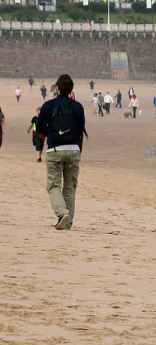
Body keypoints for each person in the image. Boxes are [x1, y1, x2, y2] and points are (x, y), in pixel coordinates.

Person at [36, 74, 87, 230]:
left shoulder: (48, 105)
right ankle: (68, 221)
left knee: (53, 185)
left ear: (57, 87)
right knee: (70, 187)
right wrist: (78, 149)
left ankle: (62, 214)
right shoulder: (78, 106)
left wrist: (51, 133)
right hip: (73, 149)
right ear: (71, 89)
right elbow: (80, 130)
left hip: (55, 149)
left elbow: (39, 129)